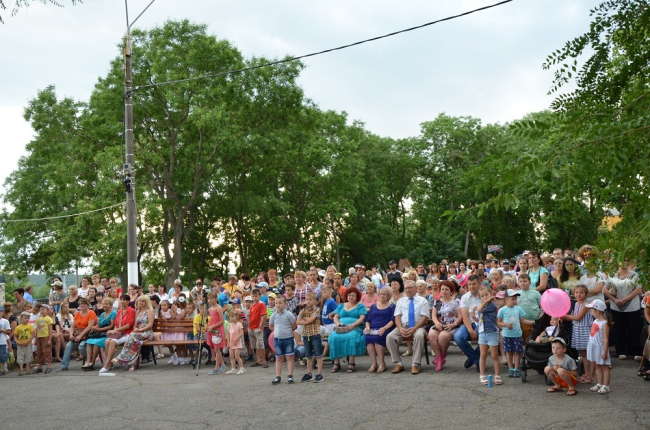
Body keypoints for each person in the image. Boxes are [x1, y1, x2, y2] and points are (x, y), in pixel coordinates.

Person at [386, 280, 430, 375]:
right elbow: (397, 317)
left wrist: (414, 328)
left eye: (410, 288)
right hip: (403, 326)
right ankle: (398, 363)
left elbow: (424, 317)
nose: (408, 290)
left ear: (415, 288)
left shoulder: (423, 301)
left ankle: (416, 364)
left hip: (418, 326)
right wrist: (400, 328)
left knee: (419, 336)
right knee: (390, 337)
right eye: (406, 288)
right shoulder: (401, 301)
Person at [604, 262, 643, 360]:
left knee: (634, 328)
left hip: (632, 306)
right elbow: (605, 289)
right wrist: (614, 300)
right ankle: (621, 351)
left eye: (626, 260)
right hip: (616, 306)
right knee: (618, 329)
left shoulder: (634, 275)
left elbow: (638, 289)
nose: (624, 262)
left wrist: (625, 299)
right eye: (622, 260)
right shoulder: (612, 274)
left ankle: (635, 352)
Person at [329, 286, 367, 373]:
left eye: (353, 295)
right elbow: (336, 317)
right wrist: (338, 324)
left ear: (357, 297)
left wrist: (353, 325)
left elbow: (362, 318)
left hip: (355, 327)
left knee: (351, 337)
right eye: (349, 295)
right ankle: (336, 363)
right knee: (333, 337)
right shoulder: (341, 305)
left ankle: (351, 362)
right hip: (341, 328)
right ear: (347, 296)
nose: (351, 297)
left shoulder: (360, 306)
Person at [497, 289, 533, 378]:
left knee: (517, 352)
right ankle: (510, 368)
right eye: (512, 299)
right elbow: (498, 322)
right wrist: (505, 324)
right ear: (506, 299)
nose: (514, 301)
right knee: (508, 352)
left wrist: (533, 322)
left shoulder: (518, 309)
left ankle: (516, 368)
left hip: (517, 335)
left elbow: (523, 320)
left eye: (515, 299)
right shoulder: (502, 310)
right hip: (507, 335)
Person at [562, 285, 595, 383]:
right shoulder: (576, 304)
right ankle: (586, 372)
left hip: (585, 329)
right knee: (583, 353)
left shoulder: (586, 305)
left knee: (589, 353)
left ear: (586, 294)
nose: (578, 294)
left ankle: (591, 375)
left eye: (581, 293)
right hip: (578, 329)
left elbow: (577, 317)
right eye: (577, 292)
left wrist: (564, 316)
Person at [113, 295, 154, 371]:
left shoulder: (150, 311)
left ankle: (121, 356)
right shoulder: (138, 311)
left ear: (146, 302)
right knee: (136, 343)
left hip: (147, 333)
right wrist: (135, 329)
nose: (141, 303)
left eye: (143, 301)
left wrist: (140, 330)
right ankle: (133, 364)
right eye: (139, 301)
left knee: (132, 336)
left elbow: (150, 325)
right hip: (138, 334)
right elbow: (135, 325)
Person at [428, 281, 461, 372]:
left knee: (442, 337)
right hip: (440, 325)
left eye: (446, 289)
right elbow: (434, 315)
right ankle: (439, 358)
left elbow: (461, 316)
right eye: (442, 289)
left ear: (451, 291)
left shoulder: (456, 301)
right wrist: (437, 323)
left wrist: (453, 324)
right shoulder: (437, 301)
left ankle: (442, 355)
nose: (444, 291)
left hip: (452, 325)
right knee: (431, 335)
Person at [98, 295, 136, 373]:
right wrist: (115, 331)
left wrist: (115, 330)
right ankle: (110, 364)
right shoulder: (119, 311)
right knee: (107, 341)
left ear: (128, 302)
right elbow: (116, 324)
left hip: (128, 334)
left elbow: (128, 325)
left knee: (112, 341)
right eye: (121, 300)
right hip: (119, 333)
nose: (122, 301)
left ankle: (107, 365)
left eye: (124, 300)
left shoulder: (131, 311)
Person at [58, 298, 97, 372]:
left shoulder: (91, 313)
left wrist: (80, 336)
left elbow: (89, 326)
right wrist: (71, 335)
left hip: (87, 334)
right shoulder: (77, 314)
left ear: (87, 305)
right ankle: (64, 366)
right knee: (68, 346)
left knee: (81, 346)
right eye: (80, 304)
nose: (82, 305)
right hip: (77, 333)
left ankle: (91, 361)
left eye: (84, 304)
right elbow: (72, 327)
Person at [364, 286, 395, 373]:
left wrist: (384, 328)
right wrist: (367, 327)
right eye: (380, 294)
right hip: (373, 328)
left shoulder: (392, 306)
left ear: (389, 296)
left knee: (378, 338)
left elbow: (392, 320)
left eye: (384, 294)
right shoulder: (373, 306)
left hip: (385, 328)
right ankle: (374, 363)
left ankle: (382, 363)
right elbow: (368, 320)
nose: (382, 296)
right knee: (368, 338)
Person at [455, 275, 482, 371]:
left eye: (474, 284)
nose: (471, 286)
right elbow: (465, 316)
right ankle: (477, 360)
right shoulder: (465, 297)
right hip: (469, 323)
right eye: (469, 284)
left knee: (486, 337)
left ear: (479, 283)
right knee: (458, 337)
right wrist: (470, 330)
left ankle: (473, 358)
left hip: (482, 323)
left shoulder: (484, 295)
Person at [297, 292, 324, 383]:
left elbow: (311, 320)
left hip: (315, 334)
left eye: (310, 299)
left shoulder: (317, 310)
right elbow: (298, 321)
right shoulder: (303, 310)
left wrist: (304, 319)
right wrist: (306, 321)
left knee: (318, 355)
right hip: (306, 335)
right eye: (307, 299)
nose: (308, 301)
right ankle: (309, 373)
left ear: (315, 301)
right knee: (308, 356)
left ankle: (319, 374)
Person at [586, 299, 612, 394]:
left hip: (600, 348)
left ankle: (606, 385)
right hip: (594, 346)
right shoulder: (596, 321)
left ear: (597, 311)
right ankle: (599, 383)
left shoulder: (604, 324)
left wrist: (605, 351)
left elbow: (606, 339)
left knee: (605, 366)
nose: (591, 312)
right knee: (597, 365)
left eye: (592, 310)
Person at [270, 295, 297, 384]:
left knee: (290, 357)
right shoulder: (273, 315)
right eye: (276, 303)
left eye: (280, 303)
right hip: (277, 340)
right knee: (278, 358)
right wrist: (277, 331)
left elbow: (294, 326)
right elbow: (271, 326)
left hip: (288, 339)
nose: (278, 305)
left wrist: (287, 331)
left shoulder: (289, 314)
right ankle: (278, 376)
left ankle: (290, 376)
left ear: (285, 304)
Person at [477, 287, 501, 385]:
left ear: (491, 294)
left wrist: (486, 301)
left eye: (486, 295)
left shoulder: (492, 306)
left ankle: (497, 375)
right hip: (482, 333)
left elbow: (479, 309)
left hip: (492, 333)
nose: (485, 297)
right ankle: (482, 375)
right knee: (483, 355)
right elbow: (479, 317)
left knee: (494, 355)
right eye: (482, 296)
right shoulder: (484, 306)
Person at [84, 298, 116, 371]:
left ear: (111, 305)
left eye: (106, 304)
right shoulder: (102, 314)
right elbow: (99, 324)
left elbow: (111, 326)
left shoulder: (114, 313)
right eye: (103, 304)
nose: (104, 305)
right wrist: (95, 327)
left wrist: (99, 330)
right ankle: (88, 361)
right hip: (100, 333)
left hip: (108, 334)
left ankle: (92, 362)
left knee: (96, 343)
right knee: (88, 342)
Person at [206, 292, 227, 375]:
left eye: (211, 298)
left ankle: (217, 367)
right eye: (209, 298)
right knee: (215, 349)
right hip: (212, 330)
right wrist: (208, 326)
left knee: (217, 349)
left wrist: (213, 326)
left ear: (215, 299)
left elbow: (222, 321)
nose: (210, 300)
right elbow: (212, 319)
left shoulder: (219, 308)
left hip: (218, 330)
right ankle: (223, 365)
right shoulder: (210, 309)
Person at [516, 273, 541, 341]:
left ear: (530, 282)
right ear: (518, 283)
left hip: (535, 320)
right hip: (524, 321)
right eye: (520, 281)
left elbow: (541, 306)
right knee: (526, 338)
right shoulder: (516, 294)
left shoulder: (536, 293)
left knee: (535, 338)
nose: (522, 283)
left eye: (525, 281)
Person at [248, 289, 268, 369]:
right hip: (251, 327)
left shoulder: (261, 304)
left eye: (256, 296)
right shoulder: (252, 306)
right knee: (256, 345)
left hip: (257, 327)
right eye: (253, 296)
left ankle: (264, 360)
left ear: (259, 296)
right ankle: (258, 360)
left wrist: (261, 326)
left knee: (260, 344)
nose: (254, 298)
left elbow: (264, 315)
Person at [34, 304, 54, 374]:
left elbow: (50, 330)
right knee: (39, 351)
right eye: (40, 309)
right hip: (39, 337)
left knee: (46, 351)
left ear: (47, 311)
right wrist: (36, 338)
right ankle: (40, 366)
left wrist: (49, 339)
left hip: (45, 336)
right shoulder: (38, 319)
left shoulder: (48, 319)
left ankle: (49, 366)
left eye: (43, 309)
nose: (41, 311)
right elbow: (37, 329)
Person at [14, 312, 34, 376]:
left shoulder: (30, 326)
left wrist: (28, 341)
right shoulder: (18, 327)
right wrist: (17, 341)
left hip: (28, 344)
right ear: (21, 319)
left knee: (28, 355)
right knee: (20, 356)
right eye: (25, 318)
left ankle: (27, 368)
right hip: (20, 344)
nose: (27, 319)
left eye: (28, 318)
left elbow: (33, 334)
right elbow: (15, 336)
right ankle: (21, 368)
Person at [226, 310, 245, 375]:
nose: (231, 318)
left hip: (237, 343)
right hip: (231, 343)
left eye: (233, 316)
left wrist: (236, 339)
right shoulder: (230, 325)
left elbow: (241, 333)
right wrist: (228, 342)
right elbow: (228, 334)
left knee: (237, 356)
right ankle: (233, 368)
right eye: (230, 317)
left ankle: (242, 368)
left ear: (236, 317)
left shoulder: (239, 324)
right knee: (231, 356)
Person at [0, 306, 11, 376]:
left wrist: (2, 330)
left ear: (3, 312)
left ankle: (1, 369)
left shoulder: (5, 321)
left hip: (2, 341)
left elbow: (9, 331)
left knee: (2, 356)